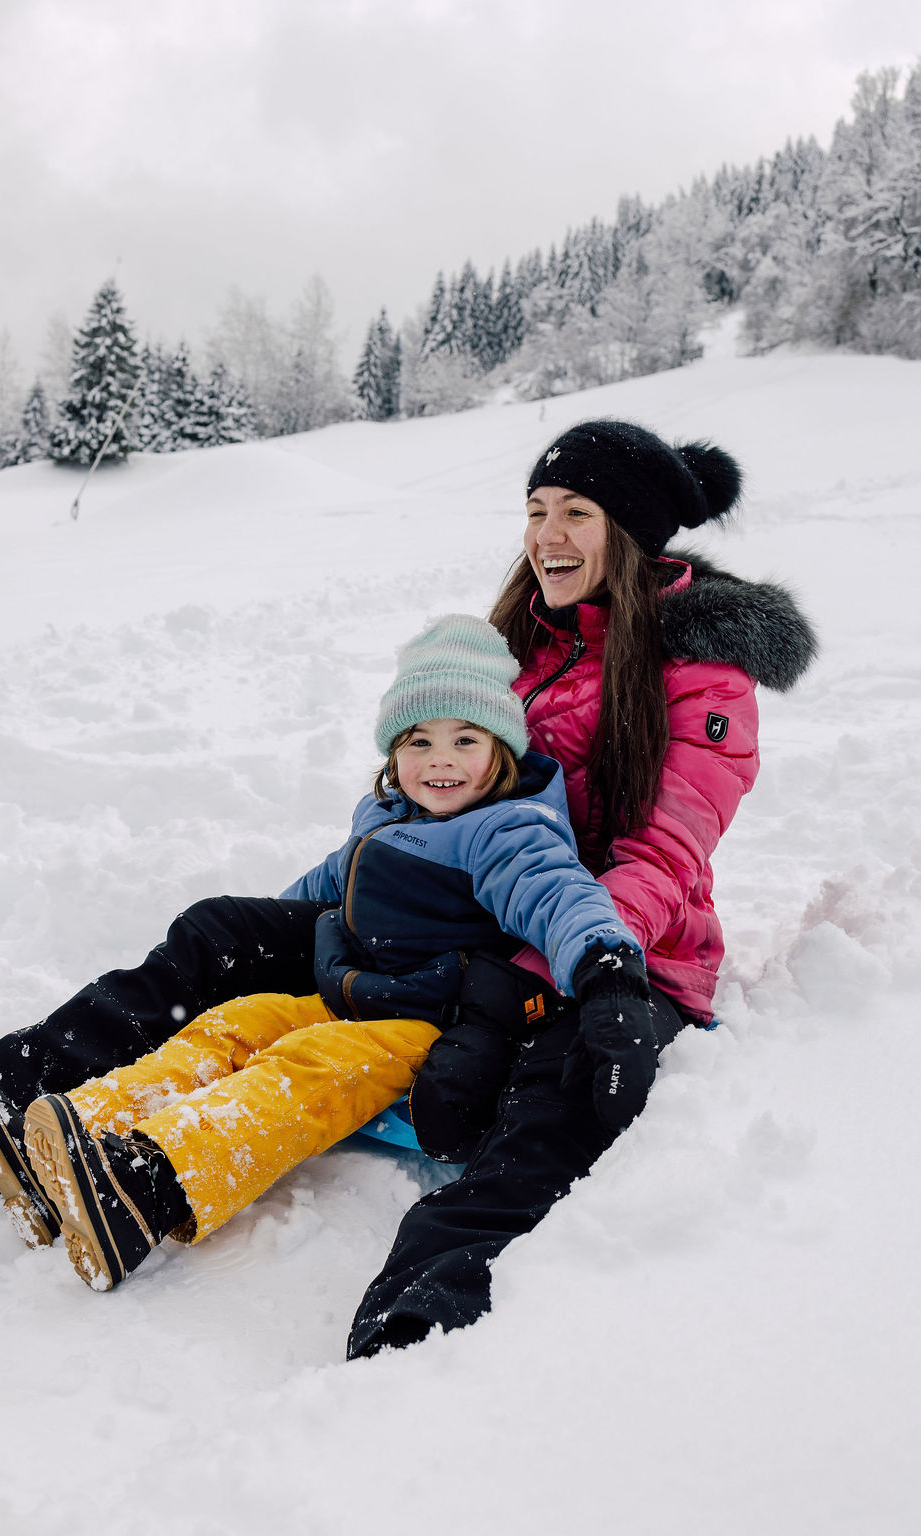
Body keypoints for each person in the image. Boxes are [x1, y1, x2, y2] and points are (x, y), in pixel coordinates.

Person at [0, 614, 649, 1290]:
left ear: (502, 751)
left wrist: (607, 966)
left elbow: (559, 895)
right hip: (353, 993)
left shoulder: (505, 831)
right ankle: (77, 1138)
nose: (441, 758)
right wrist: (264, 936)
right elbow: (327, 887)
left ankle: (151, 1187)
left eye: (465, 739)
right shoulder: (385, 816)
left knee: (306, 1068)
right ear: (393, 753)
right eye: (419, 740)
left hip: (427, 1021)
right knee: (233, 1025)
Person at [345, 419, 818, 1358]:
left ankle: (420, 1314)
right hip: (486, 925)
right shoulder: (519, 644)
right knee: (256, 965)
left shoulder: (705, 678)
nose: (547, 535)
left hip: (629, 955)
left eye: (576, 513)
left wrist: (544, 973)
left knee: (552, 1102)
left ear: (628, 532)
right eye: (535, 510)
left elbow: (664, 855)